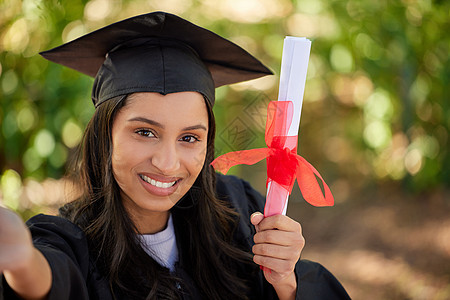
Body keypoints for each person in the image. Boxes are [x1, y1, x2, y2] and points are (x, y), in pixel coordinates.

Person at [0, 12, 350, 300]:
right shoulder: (73, 242)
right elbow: (50, 277)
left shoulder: (240, 210)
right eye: (145, 132)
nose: (167, 163)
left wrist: (287, 282)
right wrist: (20, 260)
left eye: (189, 138)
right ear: (104, 136)